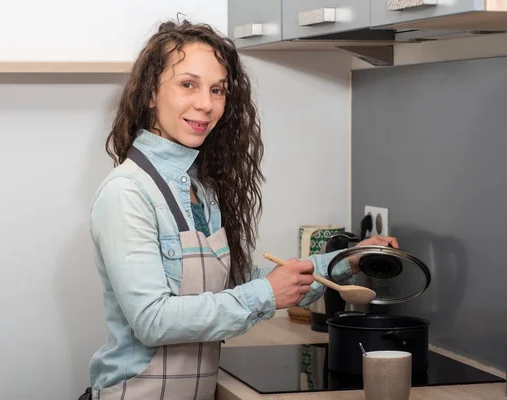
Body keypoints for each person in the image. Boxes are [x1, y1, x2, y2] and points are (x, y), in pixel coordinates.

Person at [80, 19, 399, 400]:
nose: (206, 104)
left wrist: (350, 261)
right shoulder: (126, 192)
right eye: (188, 84)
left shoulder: (202, 188)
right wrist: (266, 293)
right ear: (150, 93)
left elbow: (237, 281)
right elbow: (153, 321)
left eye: (218, 90)